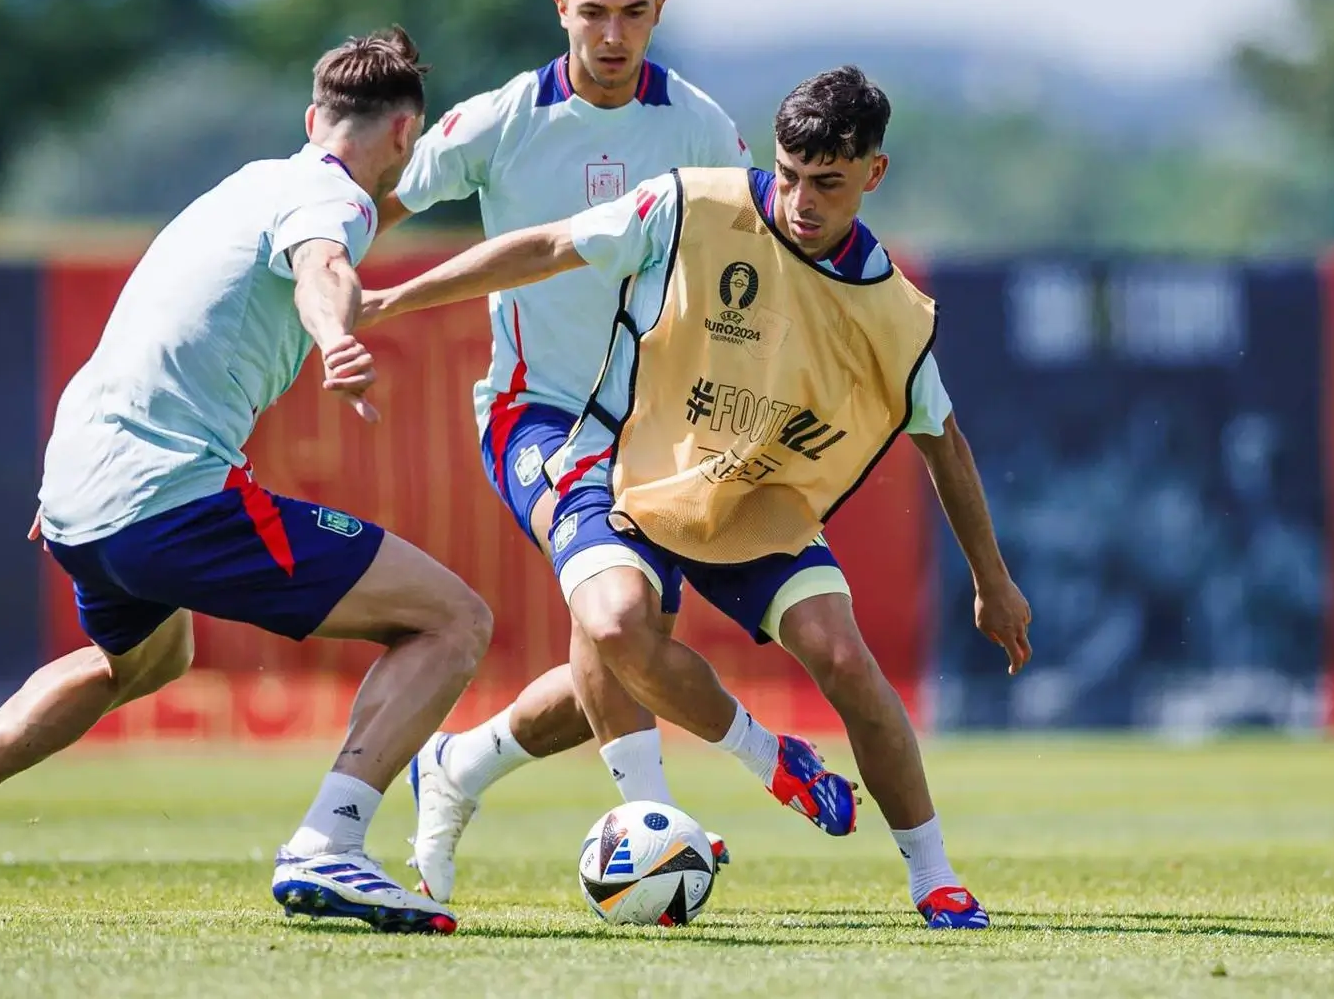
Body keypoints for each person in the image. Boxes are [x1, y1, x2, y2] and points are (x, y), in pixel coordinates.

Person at [366, 67, 1035, 930]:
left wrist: (992, 579)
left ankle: (934, 875)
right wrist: (395, 299)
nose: (799, 199)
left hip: (753, 497)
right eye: (789, 174)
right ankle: (769, 760)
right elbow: (547, 246)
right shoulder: (690, 205)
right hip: (629, 468)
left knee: (838, 655)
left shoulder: (892, 310)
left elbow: (944, 443)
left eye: (827, 183)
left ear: (875, 172)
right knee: (614, 629)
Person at [0, 29, 491, 935]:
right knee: (455, 619)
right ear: (403, 136)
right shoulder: (333, 202)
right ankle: (331, 845)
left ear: (313, 118)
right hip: (166, 494)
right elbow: (325, 267)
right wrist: (334, 337)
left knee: (147, 660)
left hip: (79, 484)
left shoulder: (253, 183)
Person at [382, 0, 757, 901]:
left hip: (659, 430)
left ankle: (457, 765)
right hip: (533, 414)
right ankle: (657, 818)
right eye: (593, 11)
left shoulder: (702, 125)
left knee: (625, 646)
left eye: (635, 12)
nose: (613, 35)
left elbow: (739, 271)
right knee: (622, 618)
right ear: (562, 6)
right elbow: (377, 197)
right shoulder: (503, 118)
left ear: (659, 9)